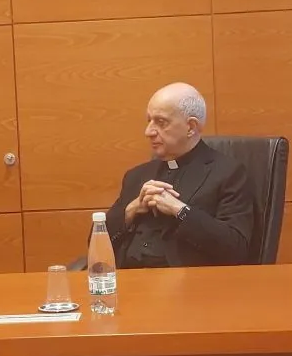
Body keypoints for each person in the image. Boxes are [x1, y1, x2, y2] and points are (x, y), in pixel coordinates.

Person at [105, 82, 255, 268]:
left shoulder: (228, 173)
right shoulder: (136, 176)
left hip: (188, 281)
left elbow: (236, 249)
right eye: (149, 121)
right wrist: (132, 209)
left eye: (161, 122)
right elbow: (96, 242)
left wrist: (180, 210)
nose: (148, 132)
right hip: (126, 279)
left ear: (191, 127)